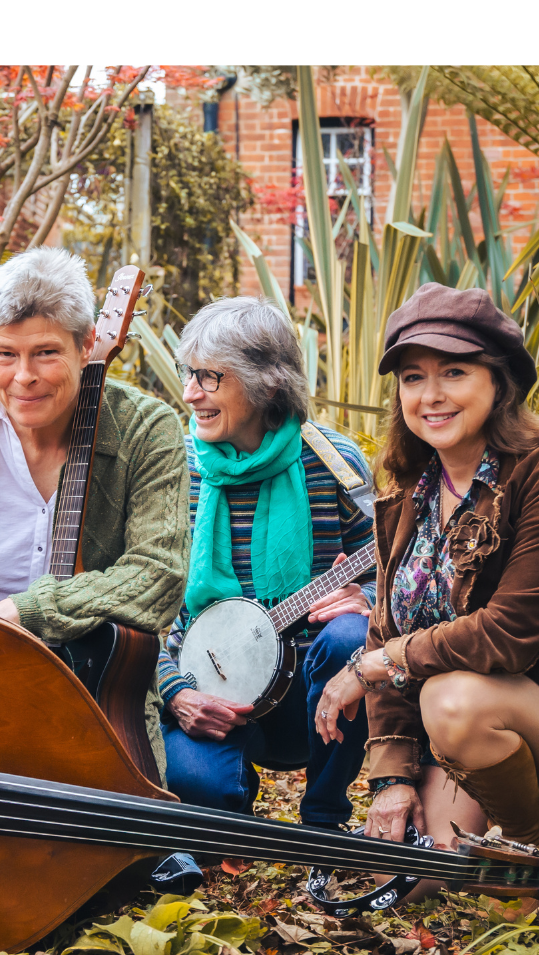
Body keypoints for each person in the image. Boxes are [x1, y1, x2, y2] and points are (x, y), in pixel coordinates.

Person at [315, 282, 539, 868]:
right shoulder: (410, 490)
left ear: (499, 381)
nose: (431, 396)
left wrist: (375, 665)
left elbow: (507, 635)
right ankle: (516, 821)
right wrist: (393, 779)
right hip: (469, 728)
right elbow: (385, 628)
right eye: (413, 377)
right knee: (418, 874)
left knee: (451, 699)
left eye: (454, 372)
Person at [0, 246, 190, 777]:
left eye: (46, 352)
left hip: (100, 696)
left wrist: (30, 612)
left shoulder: (147, 428)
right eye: (5, 354)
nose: (23, 376)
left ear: (87, 345)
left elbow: (159, 574)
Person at [157, 296, 376, 828]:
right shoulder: (176, 469)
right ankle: (231, 801)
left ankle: (323, 819)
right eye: (189, 374)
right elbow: (140, 610)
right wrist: (175, 691)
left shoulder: (334, 463)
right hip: (208, 682)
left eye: (210, 377)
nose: (190, 393)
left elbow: (392, 572)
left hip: (310, 688)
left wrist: (366, 599)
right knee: (197, 787)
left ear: (268, 384)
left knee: (350, 635)